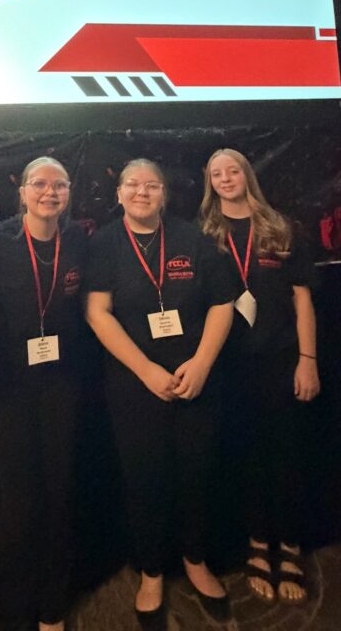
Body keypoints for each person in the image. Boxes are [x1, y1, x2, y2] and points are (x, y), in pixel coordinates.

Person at [86, 158, 234, 624]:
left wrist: (203, 363)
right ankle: (151, 571)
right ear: (119, 194)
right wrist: (146, 370)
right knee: (144, 479)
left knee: (195, 474)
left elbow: (223, 302)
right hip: (134, 385)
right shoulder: (104, 243)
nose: (142, 192)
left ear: (164, 195)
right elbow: (97, 312)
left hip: (195, 380)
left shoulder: (191, 238)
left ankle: (195, 560)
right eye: (132, 184)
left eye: (152, 186)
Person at [200, 148, 320, 605]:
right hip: (230, 366)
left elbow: (302, 299)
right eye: (216, 174)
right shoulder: (204, 234)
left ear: (247, 175)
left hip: (281, 359)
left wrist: (308, 359)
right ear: (209, 182)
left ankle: (288, 546)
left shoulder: (280, 228)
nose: (225, 178)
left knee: (285, 453)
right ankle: (256, 542)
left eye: (232, 170)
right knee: (245, 455)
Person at [0, 156, 90, 631]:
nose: (50, 192)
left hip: (62, 385)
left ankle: (52, 607)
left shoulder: (78, 240)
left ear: (69, 193)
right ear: (22, 191)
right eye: (40, 184)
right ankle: (11, 611)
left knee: (58, 494)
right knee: (17, 502)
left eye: (59, 185)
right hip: (7, 389)